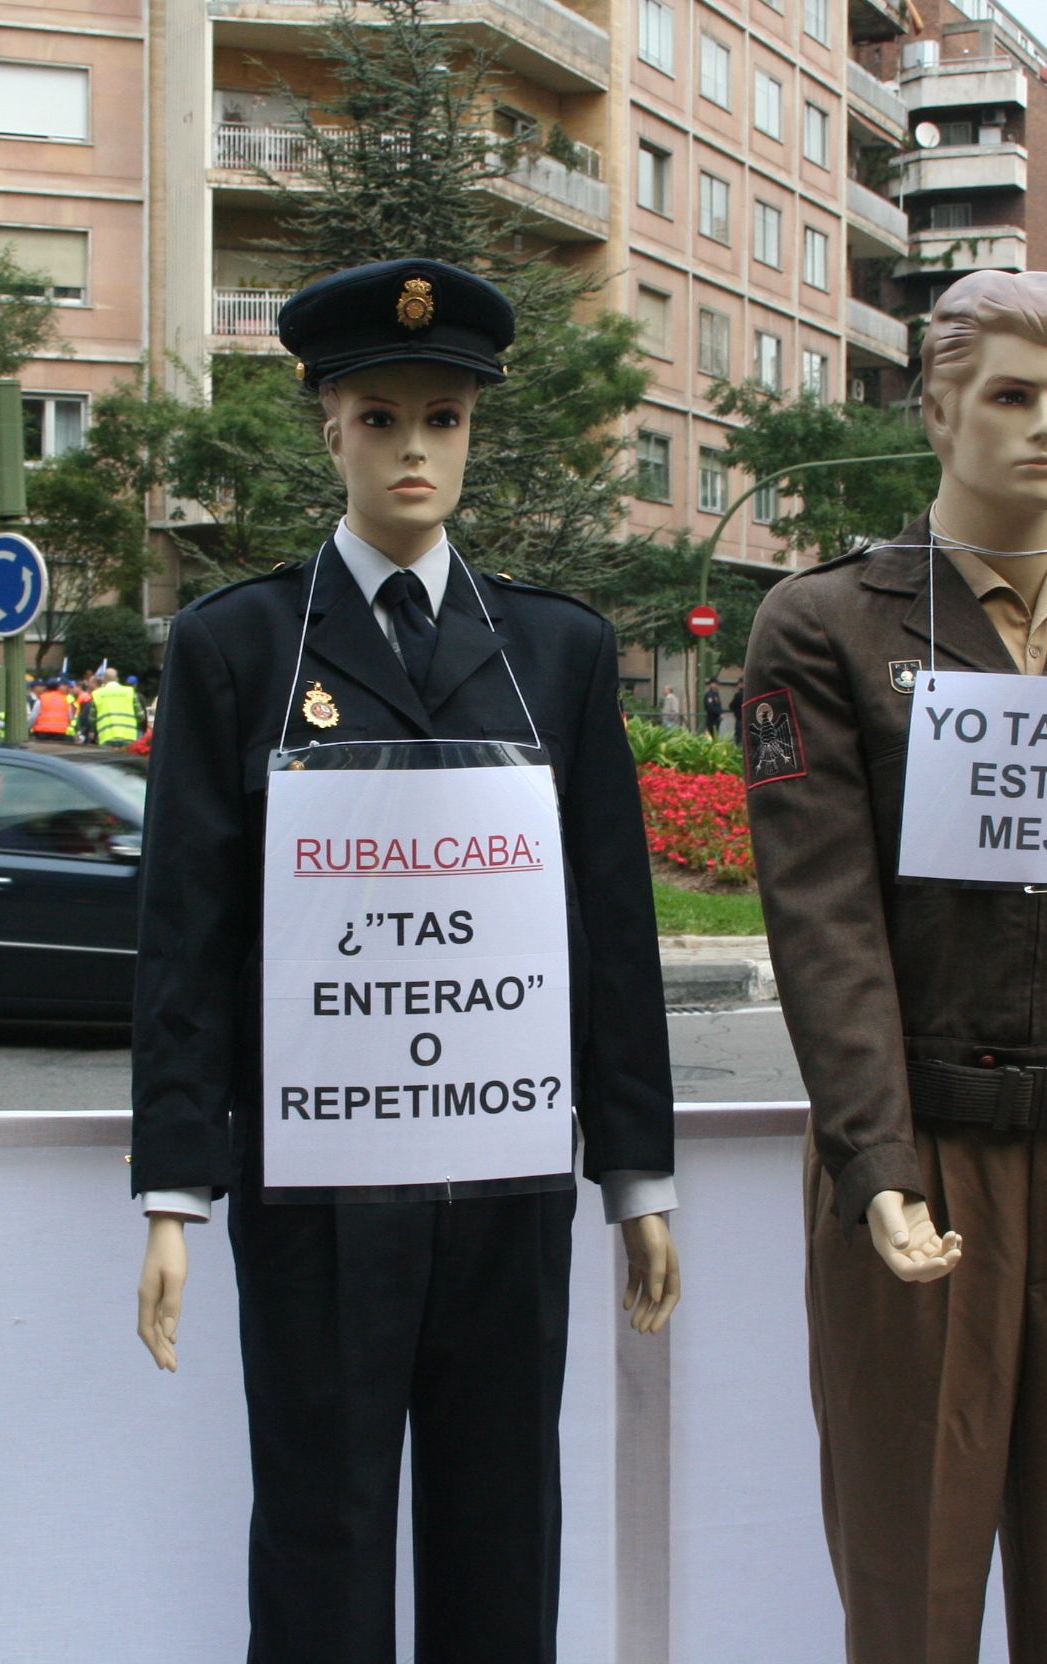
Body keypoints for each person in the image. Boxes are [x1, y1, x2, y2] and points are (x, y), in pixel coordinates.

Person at [129, 258, 680, 1664]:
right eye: (381, 417)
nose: (413, 448)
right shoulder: (240, 647)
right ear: (330, 424)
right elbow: (188, 930)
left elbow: (611, 929)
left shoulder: (555, 651)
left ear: (474, 430)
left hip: (503, 1179)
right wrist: (177, 1185)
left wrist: (636, 1174)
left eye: (444, 417)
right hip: (317, 1187)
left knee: (504, 1528)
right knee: (320, 1532)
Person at [743, 269, 1047, 1663]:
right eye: (1011, 396)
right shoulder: (826, 626)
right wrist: (876, 1157)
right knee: (912, 1556)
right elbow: (823, 917)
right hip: (925, 1137)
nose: (1045, 427)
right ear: (938, 409)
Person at [90, 666, 142, 747]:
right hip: (128, 736)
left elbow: (92, 719)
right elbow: (140, 715)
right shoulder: (130, 692)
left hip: (106, 736)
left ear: (104, 680)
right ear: (117, 679)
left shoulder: (97, 694)